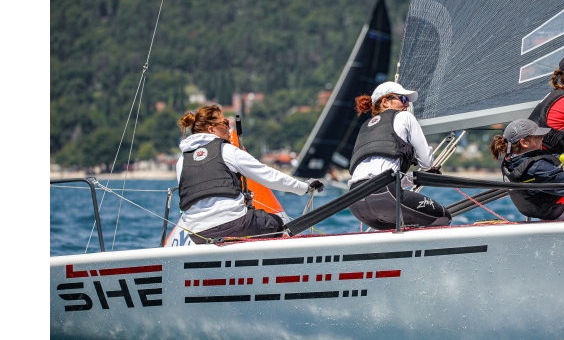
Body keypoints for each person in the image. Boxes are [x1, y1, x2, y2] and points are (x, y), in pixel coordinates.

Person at [176, 105, 324, 243]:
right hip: (234, 225)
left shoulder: (182, 161)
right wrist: (304, 187)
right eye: (225, 123)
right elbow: (269, 176)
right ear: (211, 130)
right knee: (280, 221)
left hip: (197, 235)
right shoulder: (227, 151)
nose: (229, 128)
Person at [348, 82, 451, 230]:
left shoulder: (365, 127)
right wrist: (427, 167)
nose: (407, 105)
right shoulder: (405, 117)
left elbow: (379, 174)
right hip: (384, 197)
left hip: (355, 202)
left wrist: (412, 178)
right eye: (403, 99)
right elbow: (427, 163)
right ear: (385, 102)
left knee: (402, 228)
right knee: (443, 217)